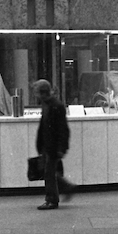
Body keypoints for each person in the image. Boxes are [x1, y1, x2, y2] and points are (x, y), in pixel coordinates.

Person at [33, 79, 76, 210]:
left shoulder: (56, 106)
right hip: (48, 145)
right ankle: (67, 188)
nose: (35, 95)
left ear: (42, 92)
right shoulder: (47, 104)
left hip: (53, 146)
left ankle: (52, 200)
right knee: (49, 171)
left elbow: (63, 129)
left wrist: (61, 148)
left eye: (36, 92)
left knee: (49, 173)